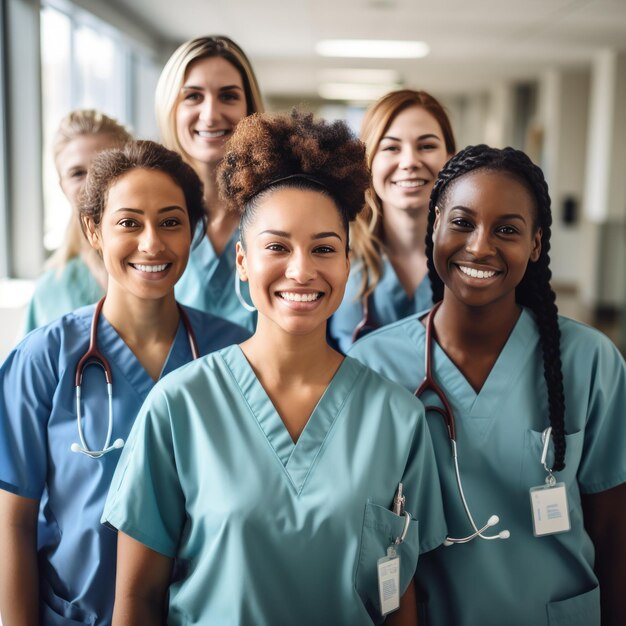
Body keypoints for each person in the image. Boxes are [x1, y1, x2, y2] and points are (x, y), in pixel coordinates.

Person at [102, 111, 446, 625]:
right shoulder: (180, 406)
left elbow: (400, 599)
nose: (301, 269)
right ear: (242, 260)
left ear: (347, 263)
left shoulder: (396, 416)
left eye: (324, 248)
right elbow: (135, 599)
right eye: (277, 247)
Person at [349, 144, 626, 626]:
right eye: (461, 222)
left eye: (507, 230)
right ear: (434, 223)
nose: (479, 246)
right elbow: (368, 536)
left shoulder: (588, 361)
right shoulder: (374, 363)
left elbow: (615, 531)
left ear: (536, 244)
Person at [0, 140, 250, 626]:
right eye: (129, 222)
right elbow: (12, 523)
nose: (152, 242)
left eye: (171, 222)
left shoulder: (236, 354)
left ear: (193, 231)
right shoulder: (43, 359)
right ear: (93, 229)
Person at [330, 90, 456, 353]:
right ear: (367, 162)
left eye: (427, 146)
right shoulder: (334, 255)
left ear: (450, 159)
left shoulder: (471, 261)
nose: (409, 161)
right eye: (391, 148)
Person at [155, 35, 264, 331]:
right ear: (171, 108)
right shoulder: (148, 215)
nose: (211, 114)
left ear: (249, 109)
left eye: (228, 96)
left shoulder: (275, 208)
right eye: (193, 96)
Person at [23, 109, 132, 333]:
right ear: (62, 186)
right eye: (77, 173)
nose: (93, 183)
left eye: (107, 166)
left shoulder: (166, 264)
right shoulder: (51, 290)